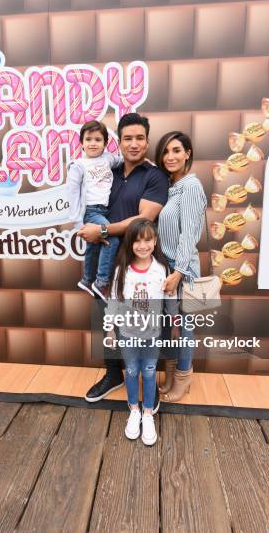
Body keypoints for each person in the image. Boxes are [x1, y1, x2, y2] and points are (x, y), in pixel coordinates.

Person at [79, 113, 169, 406]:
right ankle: (113, 373)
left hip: (139, 265)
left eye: (139, 138)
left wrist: (101, 229)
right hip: (107, 261)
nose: (134, 144)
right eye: (127, 138)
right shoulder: (108, 171)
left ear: (147, 140)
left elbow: (143, 218)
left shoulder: (155, 176)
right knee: (108, 318)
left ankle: (148, 386)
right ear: (118, 142)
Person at [105, 219, 177, 445]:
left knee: (148, 371)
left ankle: (148, 413)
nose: (143, 245)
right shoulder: (122, 271)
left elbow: (170, 298)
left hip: (152, 334)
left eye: (147, 240)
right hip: (127, 333)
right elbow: (114, 301)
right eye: (137, 241)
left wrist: (174, 323)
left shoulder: (162, 269)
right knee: (133, 370)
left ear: (155, 242)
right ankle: (134, 410)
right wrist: (110, 330)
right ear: (130, 243)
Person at [155, 131, 207, 401]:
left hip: (183, 268)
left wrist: (179, 272)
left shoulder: (191, 187)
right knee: (167, 325)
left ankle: (184, 378)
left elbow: (189, 234)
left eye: (176, 150)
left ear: (188, 153)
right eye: (165, 151)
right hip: (166, 266)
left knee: (185, 327)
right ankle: (172, 373)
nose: (170, 157)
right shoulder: (171, 186)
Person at [66, 120, 122, 300]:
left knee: (94, 245)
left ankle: (87, 279)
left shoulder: (108, 158)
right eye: (88, 139)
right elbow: (72, 193)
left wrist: (144, 162)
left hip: (105, 210)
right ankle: (101, 282)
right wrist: (78, 222)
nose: (92, 143)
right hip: (91, 211)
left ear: (105, 144)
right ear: (81, 143)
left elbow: (123, 161)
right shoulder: (78, 165)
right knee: (111, 238)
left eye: (98, 139)